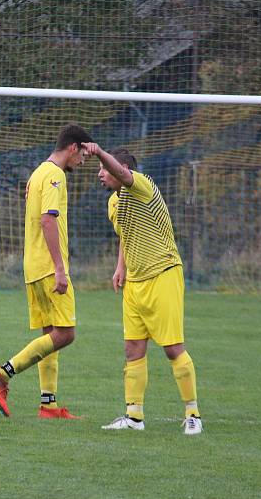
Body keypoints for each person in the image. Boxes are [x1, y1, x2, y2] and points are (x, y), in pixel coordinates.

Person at [85, 142, 203, 435]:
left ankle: (193, 414)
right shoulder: (114, 202)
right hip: (135, 282)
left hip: (163, 274)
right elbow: (127, 233)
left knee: (173, 348)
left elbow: (123, 176)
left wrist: (100, 152)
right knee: (132, 349)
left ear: (122, 169)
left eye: (104, 169)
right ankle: (134, 417)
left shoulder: (143, 186)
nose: (100, 173)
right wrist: (120, 266)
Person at [0, 124, 93, 419]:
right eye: (83, 155)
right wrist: (60, 267)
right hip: (48, 267)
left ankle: (49, 404)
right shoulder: (55, 175)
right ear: (73, 148)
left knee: (50, 334)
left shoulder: (37, 173)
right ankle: (2, 374)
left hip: (32, 266)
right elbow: (47, 221)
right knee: (66, 334)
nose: (83, 162)